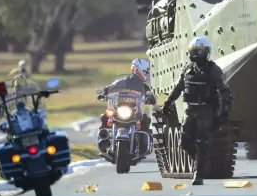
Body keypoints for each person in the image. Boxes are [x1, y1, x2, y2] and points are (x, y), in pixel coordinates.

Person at [162, 36, 232, 185]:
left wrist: (225, 111)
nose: (196, 54)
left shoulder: (213, 70)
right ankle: (201, 161)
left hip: (206, 110)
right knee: (184, 142)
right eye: (194, 51)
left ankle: (198, 175)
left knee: (202, 142)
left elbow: (225, 91)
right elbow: (179, 87)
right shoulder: (188, 69)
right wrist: (168, 102)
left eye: (199, 51)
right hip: (190, 110)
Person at [98, 58, 156, 133]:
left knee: (146, 120)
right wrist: (103, 92)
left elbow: (150, 95)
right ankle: (104, 139)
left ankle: (144, 141)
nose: (147, 74)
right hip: (119, 109)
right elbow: (111, 87)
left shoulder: (144, 87)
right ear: (138, 70)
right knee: (104, 117)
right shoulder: (123, 81)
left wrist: (150, 98)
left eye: (147, 72)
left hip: (135, 111)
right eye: (145, 72)